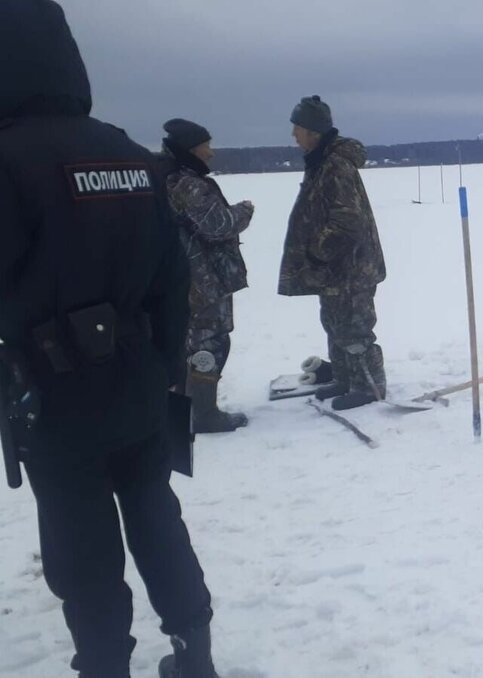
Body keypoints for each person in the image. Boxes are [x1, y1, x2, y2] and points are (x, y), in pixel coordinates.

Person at [0, 2, 219, 676]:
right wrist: (163, 373)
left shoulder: (9, 159)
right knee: (157, 518)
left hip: (54, 396)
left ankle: (105, 666)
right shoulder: (128, 153)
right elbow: (172, 280)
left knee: (83, 549)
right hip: (136, 383)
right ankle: (194, 654)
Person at [279, 95, 388, 411]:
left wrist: (317, 251)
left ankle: (369, 386)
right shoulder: (319, 164)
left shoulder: (335, 166)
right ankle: (344, 378)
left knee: (354, 326)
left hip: (351, 268)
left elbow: (347, 220)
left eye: (297, 128)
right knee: (335, 323)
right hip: (333, 270)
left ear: (313, 131)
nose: (293, 135)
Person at [158, 118, 253, 433]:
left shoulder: (170, 179)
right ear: (190, 150)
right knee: (208, 343)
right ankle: (203, 415)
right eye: (206, 146)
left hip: (189, 278)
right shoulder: (189, 183)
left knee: (196, 342)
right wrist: (243, 212)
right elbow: (218, 226)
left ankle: (189, 409)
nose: (211, 153)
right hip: (202, 281)